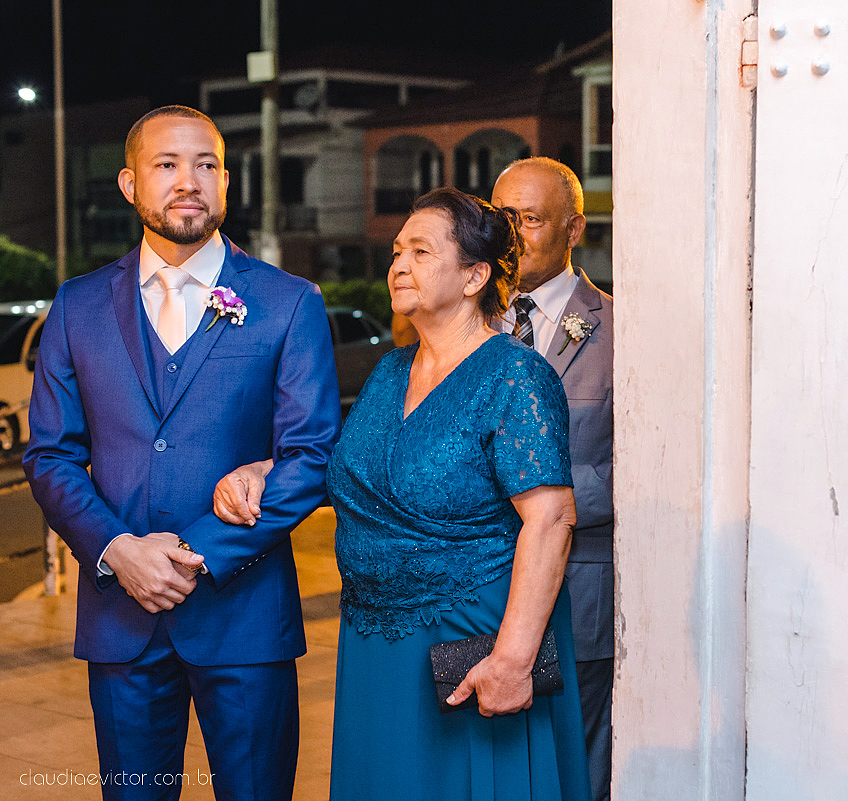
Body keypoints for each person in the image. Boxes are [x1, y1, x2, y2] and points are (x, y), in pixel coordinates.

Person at [215, 187, 591, 801]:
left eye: (420, 251)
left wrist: (515, 659)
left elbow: (550, 520)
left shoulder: (516, 374)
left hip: (472, 642)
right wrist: (263, 471)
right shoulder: (392, 371)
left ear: (473, 276)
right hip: (373, 644)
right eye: (396, 252)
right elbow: (356, 477)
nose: (398, 265)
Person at [22, 105, 341, 801]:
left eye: (206, 165)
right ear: (130, 184)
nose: (188, 181)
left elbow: (313, 454)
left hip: (246, 618)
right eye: (167, 165)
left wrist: (194, 555)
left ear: (227, 181)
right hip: (121, 619)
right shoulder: (77, 308)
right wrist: (119, 550)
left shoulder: (288, 303)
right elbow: (50, 455)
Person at [492, 157, 615, 801]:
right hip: (475, 594)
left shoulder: (621, 330)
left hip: (580, 593)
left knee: (578, 771)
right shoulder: (467, 328)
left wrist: (549, 501)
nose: (511, 234)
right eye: (500, 217)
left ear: (574, 229)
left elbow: (649, 471)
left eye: (530, 219)